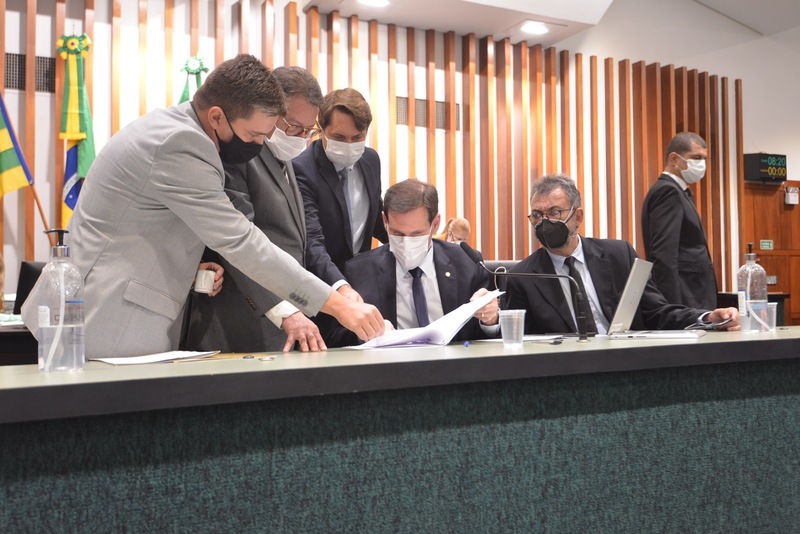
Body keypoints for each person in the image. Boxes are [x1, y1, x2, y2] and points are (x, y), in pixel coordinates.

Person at [21, 55, 384, 358]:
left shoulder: (173, 127)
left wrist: (192, 265)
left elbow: (147, 224)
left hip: (111, 310)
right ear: (216, 117)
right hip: (107, 318)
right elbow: (241, 241)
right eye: (255, 135)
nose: (260, 145)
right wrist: (339, 305)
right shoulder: (181, 144)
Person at [183, 66, 327, 353]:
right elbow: (240, 242)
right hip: (238, 321)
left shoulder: (284, 159)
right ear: (271, 111)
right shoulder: (238, 153)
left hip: (283, 321)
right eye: (293, 127)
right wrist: (285, 310)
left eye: (309, 130)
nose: (300, 137)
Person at [505, 174, 739, 335]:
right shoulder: (522, 277)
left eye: (555, 212)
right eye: (537, 215)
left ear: (577, 216)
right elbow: (521, 340)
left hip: (625, 364)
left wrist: (707, 318)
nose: (544, 222)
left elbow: (656, 312)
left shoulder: (618, 255)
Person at [326, 179, 498, 347]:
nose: (406, 242)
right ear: (385, 221)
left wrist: (490, 320)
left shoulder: (466, 262)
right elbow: (335, 338)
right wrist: (366, 331)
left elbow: (483, 338)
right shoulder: (359, 271)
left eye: (417, 234)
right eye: (397, 233)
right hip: (389, 365)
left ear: (435, 224)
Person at [293, 88, 388, 302]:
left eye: (357, 137)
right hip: (322, 289)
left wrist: (409, 242)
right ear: (322, 130)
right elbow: (312, 241)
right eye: (339, 137)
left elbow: (375, 220)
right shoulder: (303, 169)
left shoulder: (371, 160)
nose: (349, 145)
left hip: (363, 283)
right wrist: (341, 287)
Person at [642, 132, 718, 309]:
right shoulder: (667, 191)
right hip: (685, 300)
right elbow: (664, 256)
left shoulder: (682, 192)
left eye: (704, 159)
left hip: (694, 296)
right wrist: (672, 309)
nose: (702, 164)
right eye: (696, 158)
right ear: (674, 159)